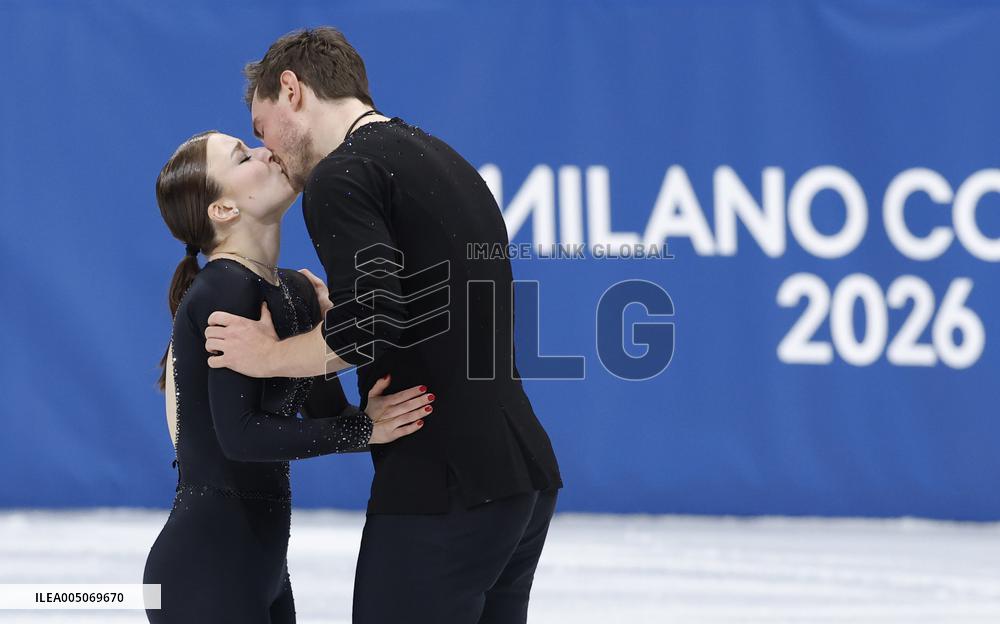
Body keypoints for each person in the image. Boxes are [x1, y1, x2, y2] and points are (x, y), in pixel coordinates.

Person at [205, 27, 563, 623]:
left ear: (291, 90)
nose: (269, 150)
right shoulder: (445, 159)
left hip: (442, 483)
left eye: (262, 128)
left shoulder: (340, 177)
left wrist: (266, 357)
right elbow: (417, 304)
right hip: (520, 477)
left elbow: (371, 324)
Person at [143, 130, 435, 623]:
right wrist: (365, 429)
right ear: (224, 210)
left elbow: (329, 413)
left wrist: (347, 353)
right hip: (203, 571)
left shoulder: (296, 289)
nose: (264, 151)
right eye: (243, 156)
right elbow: (240, 436)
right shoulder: (223, 290)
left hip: (262, 565)